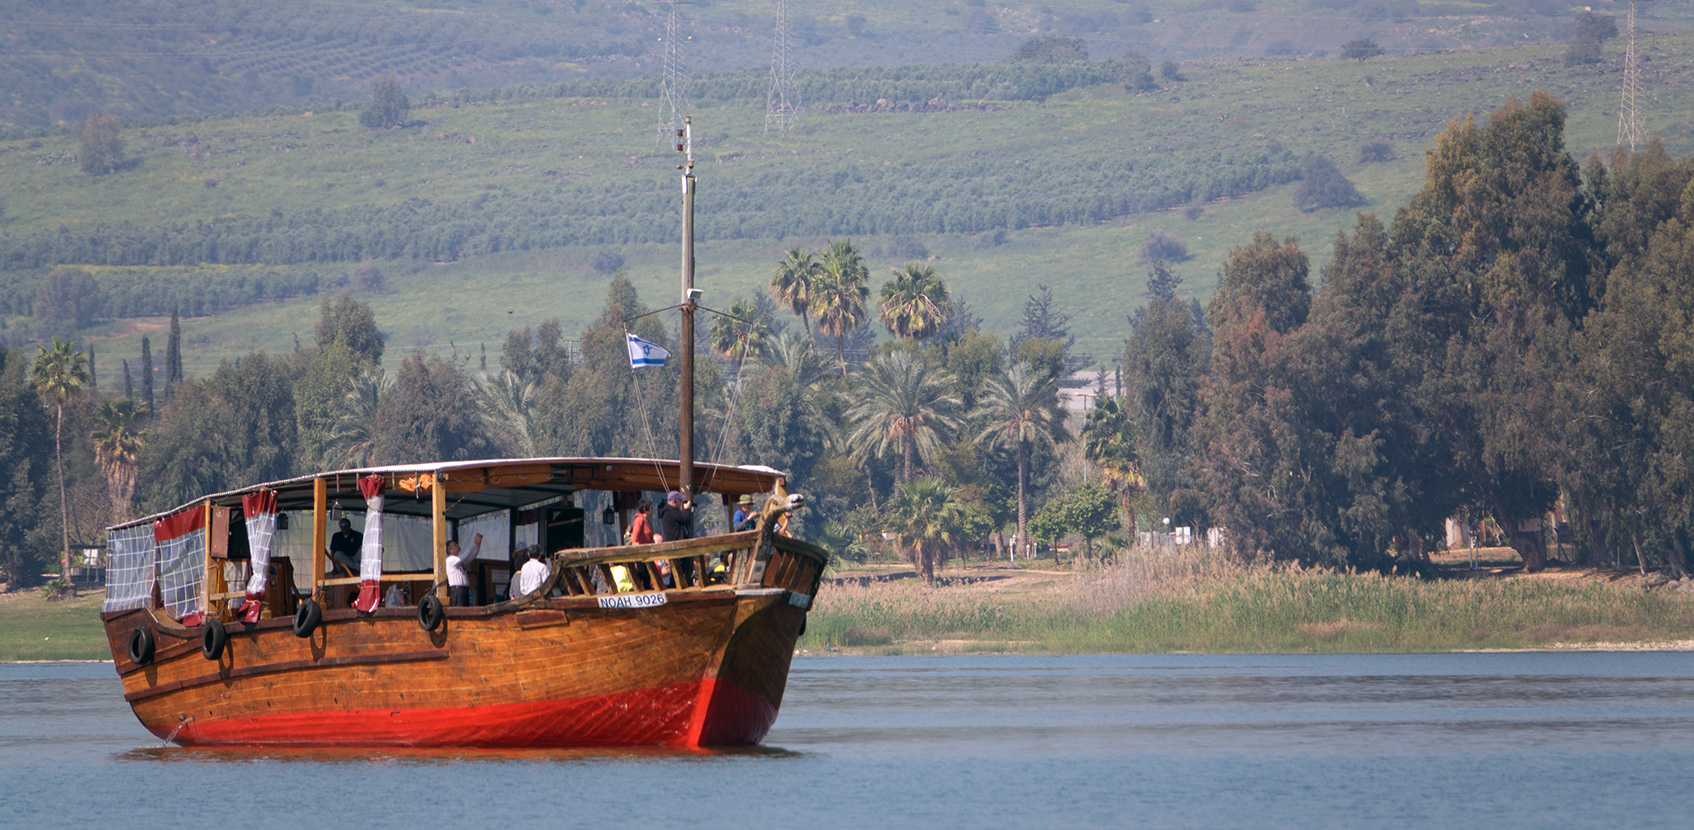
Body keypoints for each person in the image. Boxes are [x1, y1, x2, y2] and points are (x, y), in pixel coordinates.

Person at [445, 533, 482, 606]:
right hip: (457, 591)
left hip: (464, 590)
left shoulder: (459, 562)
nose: (458, 545)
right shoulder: (450, 559)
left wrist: (478, 546)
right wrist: (474, 544)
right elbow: (465, 555)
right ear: (450, 550)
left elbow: (471, 556)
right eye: (455, 545)